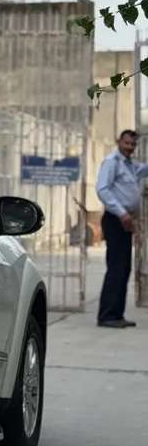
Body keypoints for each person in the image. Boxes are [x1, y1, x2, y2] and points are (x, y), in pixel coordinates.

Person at [96, 129, 148, 328]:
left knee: (124, 268)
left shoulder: (130, 165)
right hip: (116, 219)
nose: (130, 147)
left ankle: (117, 314)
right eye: (127, 143)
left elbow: (144, 169)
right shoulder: (112, 162)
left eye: (133, 144)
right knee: (116, 267)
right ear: (119, 141)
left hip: (125, 221)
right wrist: (121, 213)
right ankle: (107, 315)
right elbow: (102, 189)